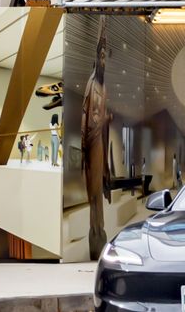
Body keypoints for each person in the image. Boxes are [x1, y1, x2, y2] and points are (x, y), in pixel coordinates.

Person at [84, 19, 111, 259]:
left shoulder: (104, 87)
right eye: (100, 55)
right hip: (92, 144)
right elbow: (89, 118)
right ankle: (95, 232)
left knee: (100, 187)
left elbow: (99, 117)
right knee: (93, 191)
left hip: (100, 143)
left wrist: (105, 119)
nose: (103, 60)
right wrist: (100, 121)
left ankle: (99, 231)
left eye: (105, 56)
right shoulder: (92, 84)